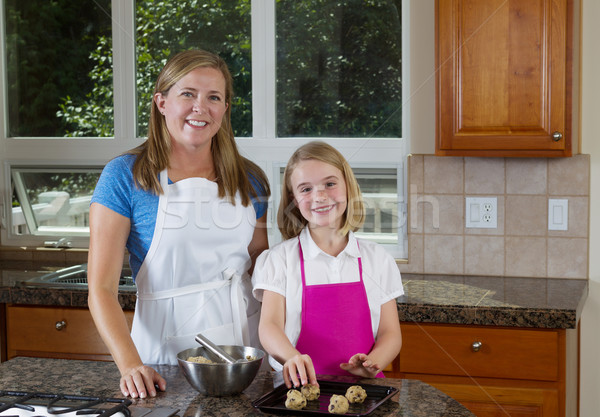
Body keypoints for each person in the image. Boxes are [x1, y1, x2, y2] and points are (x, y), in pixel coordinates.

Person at [87, 49, 270, 399]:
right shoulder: (125, 177)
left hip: (244, 348)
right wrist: (130, 365)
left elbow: (260, 265)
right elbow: (102, 289)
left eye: (214, 97)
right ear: (162, 102)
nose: (201, 107)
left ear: (225, 108)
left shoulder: (250, 179)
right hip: (163, 357)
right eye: (188, 94)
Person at [252, 141, 402, 389]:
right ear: (294, 199)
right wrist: (292, 357)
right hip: (296, 393)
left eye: (330, 184)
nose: (319, 196)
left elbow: (390, 333)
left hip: (365, 391)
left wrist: (371, 364)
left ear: (347, 187)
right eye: (306, 189)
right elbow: (269, 326)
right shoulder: (279, 260)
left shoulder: (378, 259)